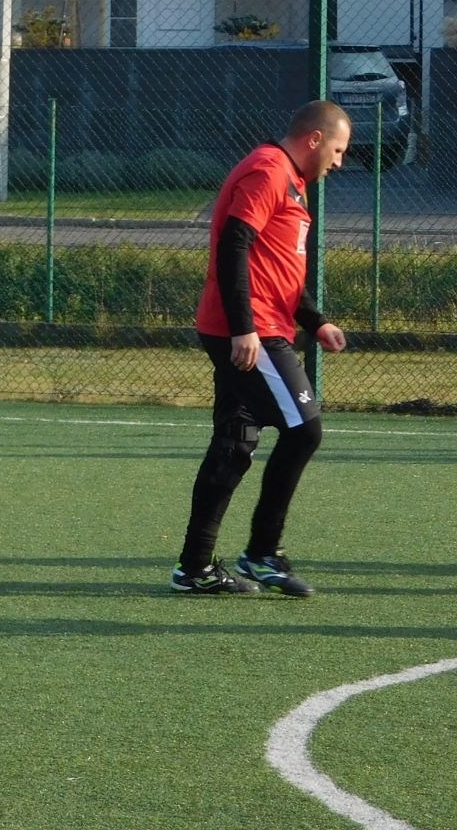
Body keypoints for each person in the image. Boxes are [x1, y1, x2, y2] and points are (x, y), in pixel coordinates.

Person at [170, 99, 351, 597]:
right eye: (338, 150)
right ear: (315, 138)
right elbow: (234, 245)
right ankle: (263, 553)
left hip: (258, 325)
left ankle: (195, 568)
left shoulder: (292, 180)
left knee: (234, 445)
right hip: (253, 331)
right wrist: (244, 328)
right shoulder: (269, 170)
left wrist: (315, 321)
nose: (339, 162)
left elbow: (276, 268)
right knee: (304, 431)